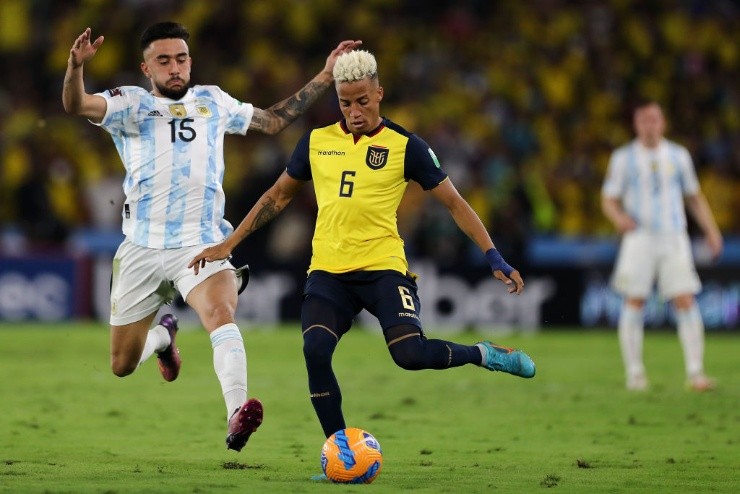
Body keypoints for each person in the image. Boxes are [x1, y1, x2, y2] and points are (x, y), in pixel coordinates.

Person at [188, 49, 536, 441]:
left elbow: (455, 203)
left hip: (383, 268)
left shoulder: (406, 146)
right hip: (328, 273)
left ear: (379, 94)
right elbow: (278, 196)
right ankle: (340, 449)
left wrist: (494, 256)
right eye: (345, 103)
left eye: (363, 101)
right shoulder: (316, 142)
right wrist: (228, 244)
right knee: (315, 350)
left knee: (410, 355)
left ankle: (483, 354)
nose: (354, 111)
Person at [62, 21, 361, 452]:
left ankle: (237, 412)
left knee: (221, 313)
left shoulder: (214, 101)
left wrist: (326, 74)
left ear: (190, 61)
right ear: (146, 68)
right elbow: (75, 104)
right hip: (142, 246)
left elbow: (273, 121)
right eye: (164, 60)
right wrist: (76, 67)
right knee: (122, 364)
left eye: (181, 58)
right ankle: (163, 338)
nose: (175, 67)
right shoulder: (129, 103)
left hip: (202, 243)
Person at [601, 101, 723, 392]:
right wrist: (618, 218)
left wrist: (712, 230)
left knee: (685, 299)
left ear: (663, 123)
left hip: (673, 235)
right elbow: (608, 198)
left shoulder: (679, 156)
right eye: (644, 120)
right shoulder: (623, 158)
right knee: (635, 300)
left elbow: (694, 196)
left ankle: (696, 373)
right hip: (639, 237)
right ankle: (635, 374)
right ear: (636, 124)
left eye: (654, 119)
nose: (650, 125)